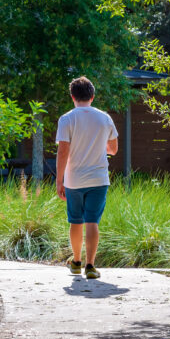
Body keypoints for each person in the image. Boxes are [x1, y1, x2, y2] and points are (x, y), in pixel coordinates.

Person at [56, 76, 118, 278]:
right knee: (92, 221)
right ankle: (90, 266)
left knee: (75, 220)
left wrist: (60, 180)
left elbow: (63, 151)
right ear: (92, 96)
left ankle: (76, 261)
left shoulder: (66, 119)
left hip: (74, 179)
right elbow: (114, 150)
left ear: (72, 96)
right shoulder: (105, 118)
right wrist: (99, 145)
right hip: (99, 179)